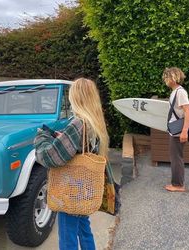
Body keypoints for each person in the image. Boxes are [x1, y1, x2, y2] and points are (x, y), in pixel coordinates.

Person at [34, 78, 109, 250]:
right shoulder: (95, 122)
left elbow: (50, 157)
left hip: (71, 189)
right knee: (84, 230)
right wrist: (63, 137)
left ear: (77, 97)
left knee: (67, 237)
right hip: (84, 188)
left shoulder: (78, 123)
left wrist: (41, 138)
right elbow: (80, 148)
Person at [162, 67, 189, 192]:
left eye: (167, 77)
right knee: (175, 156)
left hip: (178, 131)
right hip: (175, 130)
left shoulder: (180, 92)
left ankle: (178, 185)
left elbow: (188, 111)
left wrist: (184, 131)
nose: (165, 80)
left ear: (173, 78)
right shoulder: (175, 92)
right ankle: (178, 183)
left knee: (176, 158)